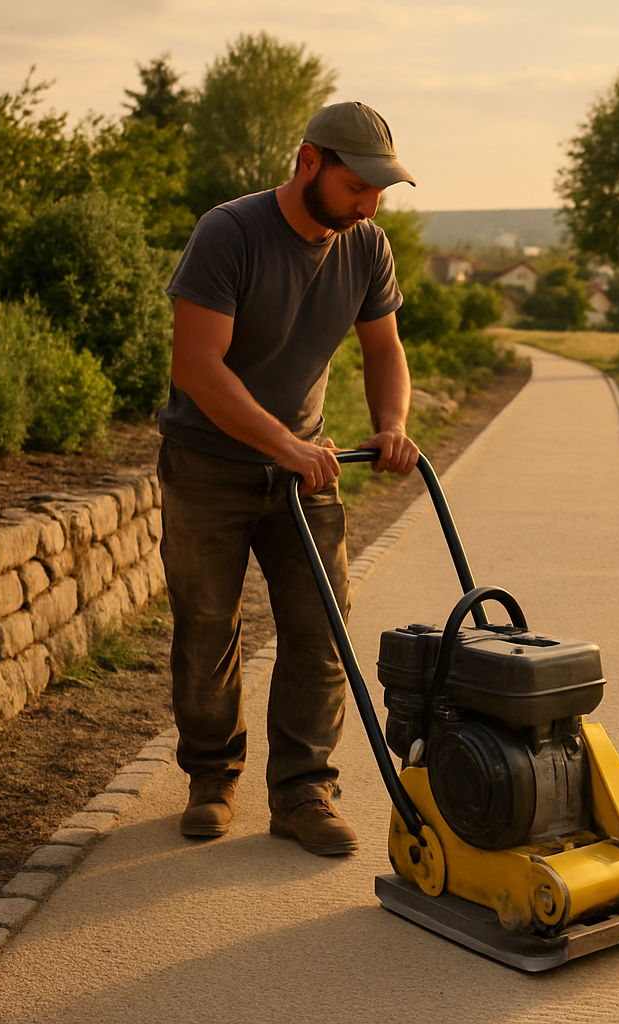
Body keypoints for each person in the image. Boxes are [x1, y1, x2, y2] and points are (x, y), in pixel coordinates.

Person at [156, 101, 420, 855]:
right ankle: (212, 777)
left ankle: (304, 792)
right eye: (356, 187)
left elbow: (384, 350)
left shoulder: (367, 246)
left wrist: (392, 424)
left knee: (322, 631)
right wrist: (283, 444)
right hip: (208, 467)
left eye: (379, 191)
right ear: (309, 162)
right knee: (207, 630)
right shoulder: (229, 233)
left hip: (304, 472)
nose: (368, 206)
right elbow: (196, 366)